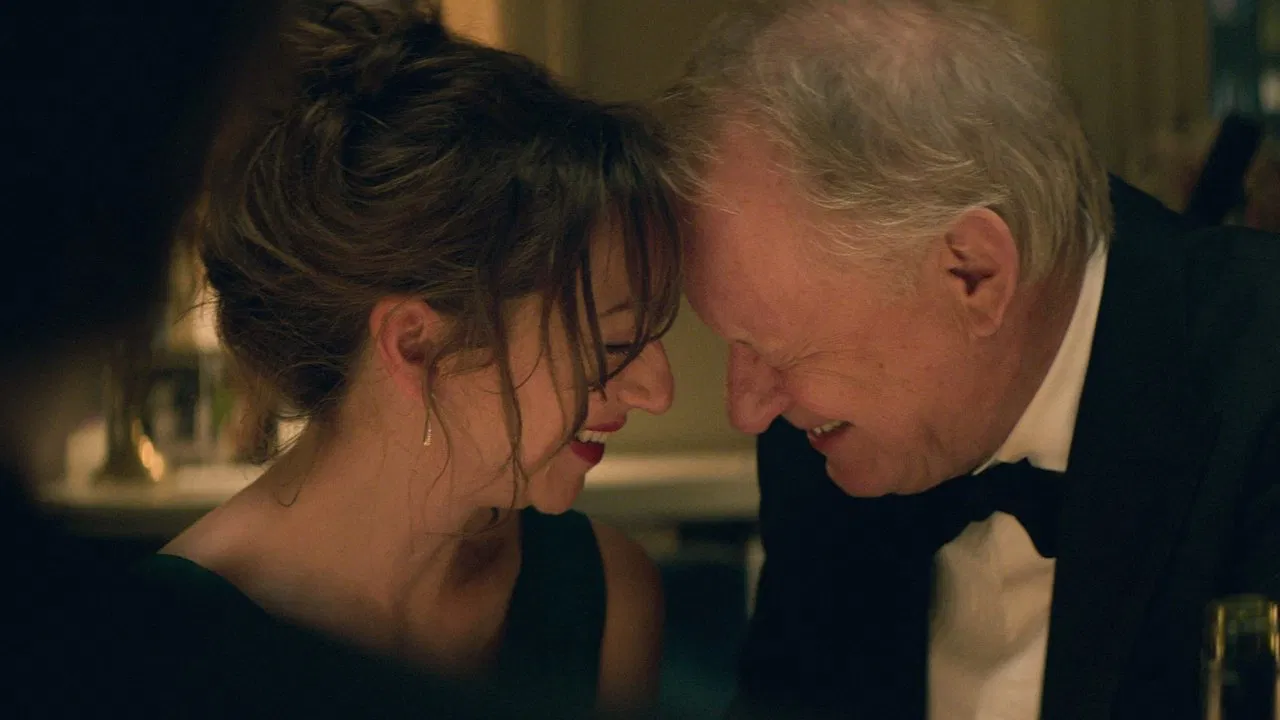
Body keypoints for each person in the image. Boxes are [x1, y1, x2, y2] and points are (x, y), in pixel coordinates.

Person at [1, 0, 675, 717]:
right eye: (611, 344)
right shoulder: (150, 656)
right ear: (416, 345)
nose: (658, 388)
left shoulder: (603, 594)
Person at [661, 1, 1280, 719]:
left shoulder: (1258, 379)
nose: (747, 408)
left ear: (974, 274)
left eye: (773, 348)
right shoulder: (820, 432)